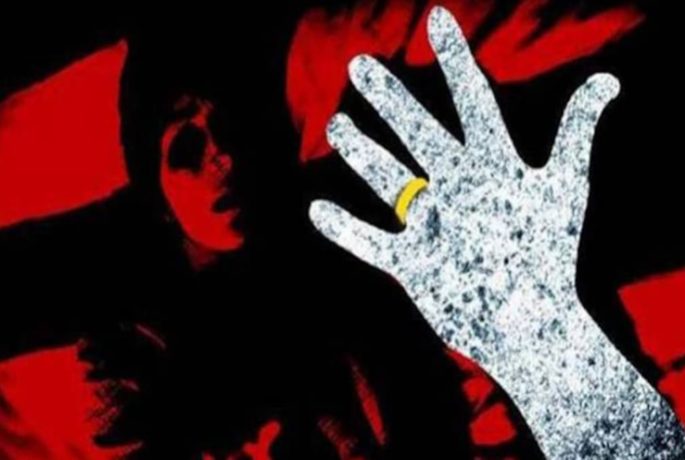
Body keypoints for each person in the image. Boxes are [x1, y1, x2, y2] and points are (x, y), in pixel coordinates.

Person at [0, 5, 543, 459]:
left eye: (230, 127)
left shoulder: (343, 252)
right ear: (157, 195)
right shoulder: (131, 348)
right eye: (186, 147)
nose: (223, 158)